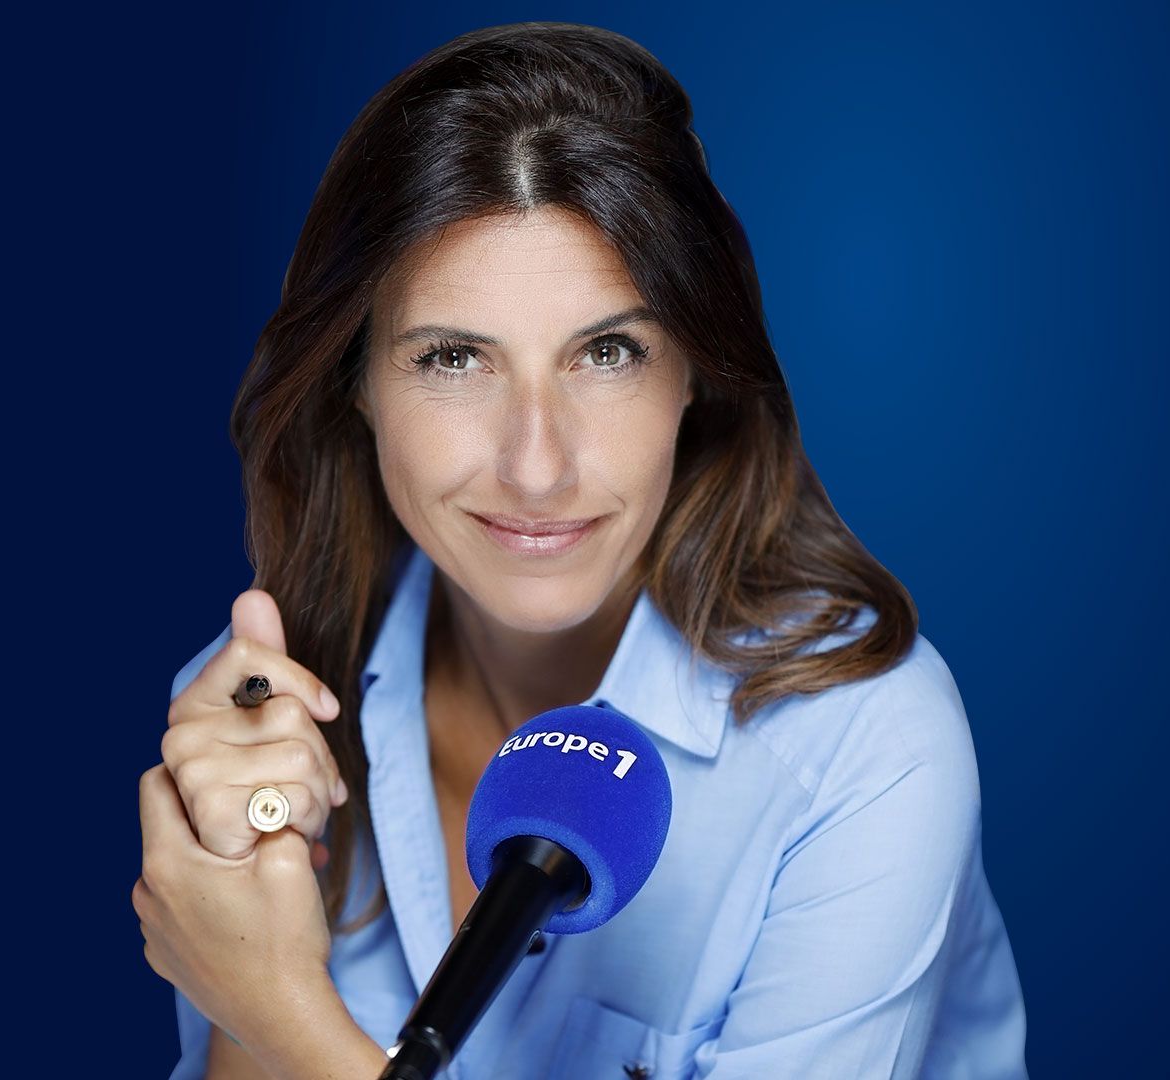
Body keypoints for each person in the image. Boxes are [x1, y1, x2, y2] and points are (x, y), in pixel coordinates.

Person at [133, 20, 1028, 1080]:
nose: (537, 465)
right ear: (355, 383)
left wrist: (278, 1009)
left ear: (695, 368)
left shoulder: (863, 748)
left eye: (607, 351)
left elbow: (278, 1016)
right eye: (454, 358)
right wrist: (246, 897)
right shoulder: (258, 730)